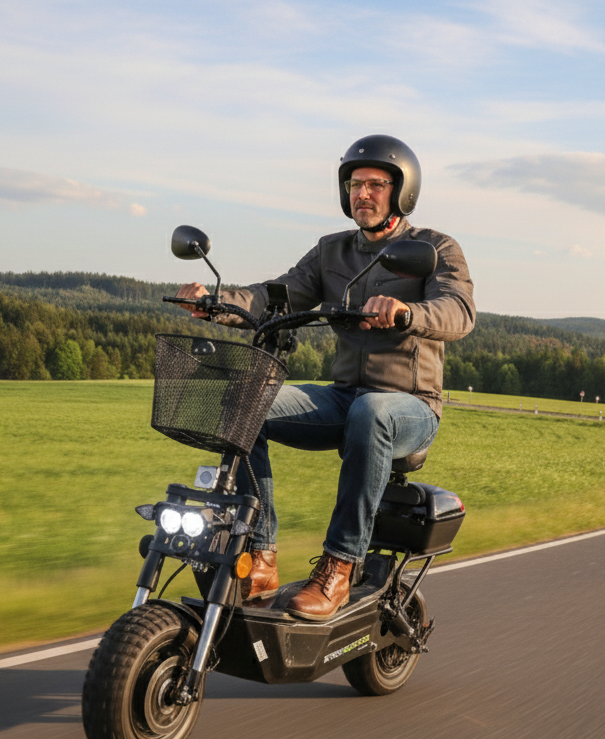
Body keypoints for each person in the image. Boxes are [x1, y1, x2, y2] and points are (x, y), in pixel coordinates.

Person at [176, 134, 474, 620]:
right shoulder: (332, 251)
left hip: (411, 406)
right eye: (355, 184)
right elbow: (277, 295)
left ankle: (340, 565)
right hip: (345, 398)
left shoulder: (434, 248)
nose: (363, 194)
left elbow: (458, 311)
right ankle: (260, 553)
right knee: (246, 401)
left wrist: (406, 313)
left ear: (402, 192)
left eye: (376, 184)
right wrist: (216, 303)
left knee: (372, 410)